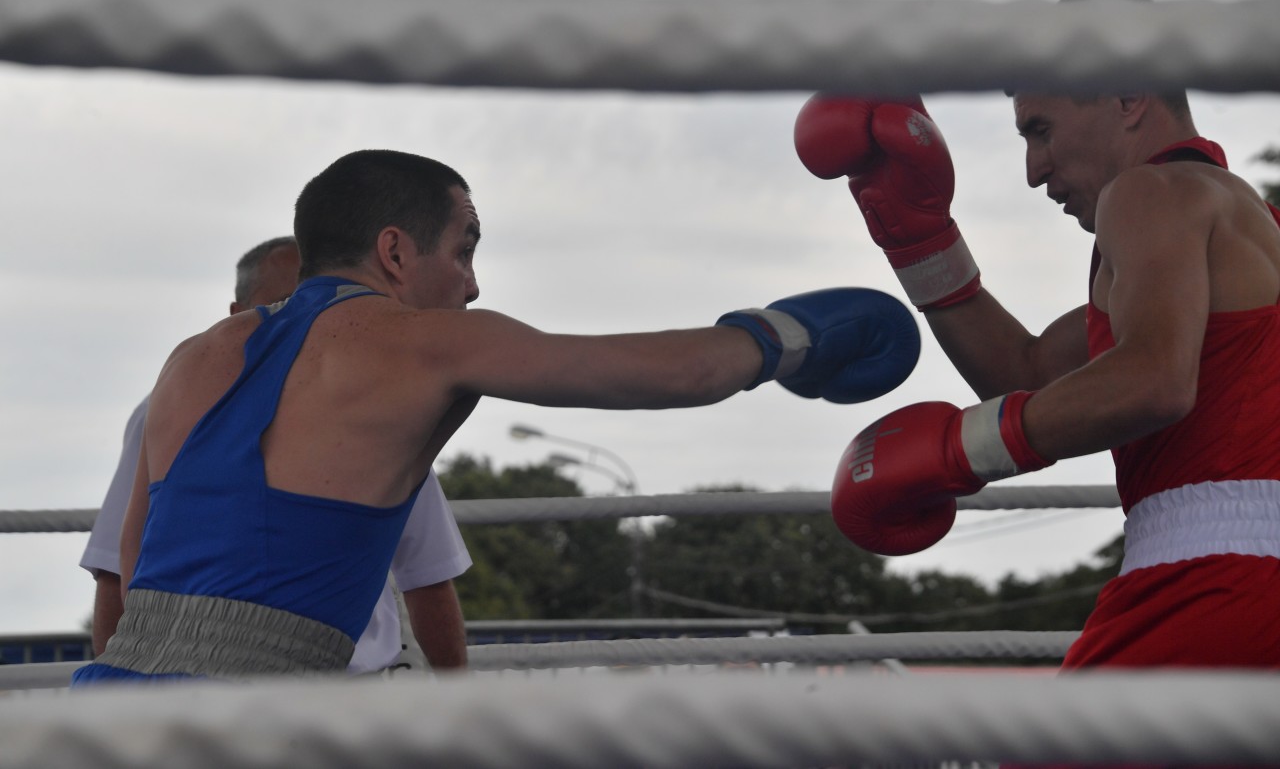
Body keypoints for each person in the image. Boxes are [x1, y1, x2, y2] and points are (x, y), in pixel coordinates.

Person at [71, 148, 920, 684]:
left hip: (113, 711)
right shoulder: (429, 343)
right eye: (465, 248)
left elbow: (138, 569)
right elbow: (666, 371)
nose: (473, 283)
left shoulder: (191, 358)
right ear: (397, 250)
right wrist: (792, 337)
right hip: (261, 723)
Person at [796, 0, 1280, 668]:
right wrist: (921, 241)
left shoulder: (1151, 192)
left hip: (1213, 579)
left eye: (1041, 130)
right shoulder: (1240, 221)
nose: (1032, 169)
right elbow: (1026, 375)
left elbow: (1151, 380)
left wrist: (960, 448)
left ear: (1127, 97)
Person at [78, 235, 471, 677]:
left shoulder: (383, 408)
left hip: (354, 698)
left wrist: (462, 705)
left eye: (324, 299)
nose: (303, 314)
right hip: (208, 696)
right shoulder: (165, 409)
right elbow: (116, 573)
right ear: (235, 315)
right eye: (283, 301)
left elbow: (427, 574)